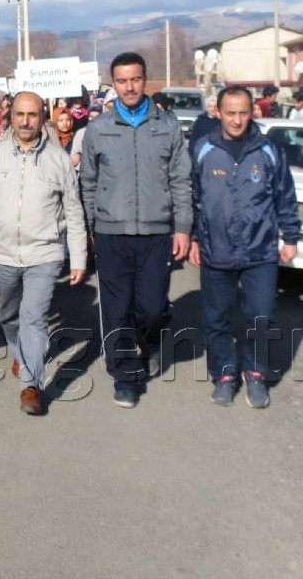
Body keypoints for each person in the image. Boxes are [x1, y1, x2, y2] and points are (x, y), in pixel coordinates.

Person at [0, 92, 87, 414]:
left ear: (43, 117)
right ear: (11, 117)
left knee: (34, 318)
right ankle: (21, 352)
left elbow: (74, 211)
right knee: (9, 315)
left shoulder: (58, 160)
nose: (26, 121)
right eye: (20, 114)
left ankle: (30, 384)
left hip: (45, 254)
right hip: (2, 255)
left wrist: (78, 256)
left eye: (32, 115)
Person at [80, 52, 192, 409]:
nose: (129, 87)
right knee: (117, 309)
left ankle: (151, 339)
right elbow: (88, 182)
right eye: (122, 81)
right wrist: (90, 228)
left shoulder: (167, 126)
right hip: (111, 233)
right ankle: (125, 377)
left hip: (156, 233)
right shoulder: (99, 129)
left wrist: (183, 228)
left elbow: (181, 180)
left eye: (135, 79)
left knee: (152, 309)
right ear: (113, 83)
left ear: (145, 80)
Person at [190, 86, 301, 409]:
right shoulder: (203, 148)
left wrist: (291, 237)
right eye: (230, 113)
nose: (237, 120)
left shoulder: (268, 149)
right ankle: (224, 376)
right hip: (216, 249)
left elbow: (284, 194)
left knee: (261, 317)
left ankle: (256, 374)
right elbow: (192, 198)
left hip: (260, 251)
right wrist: (194, 237)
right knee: (216, 319)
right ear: (218, 112)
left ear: (252, 112)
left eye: (243, 113)